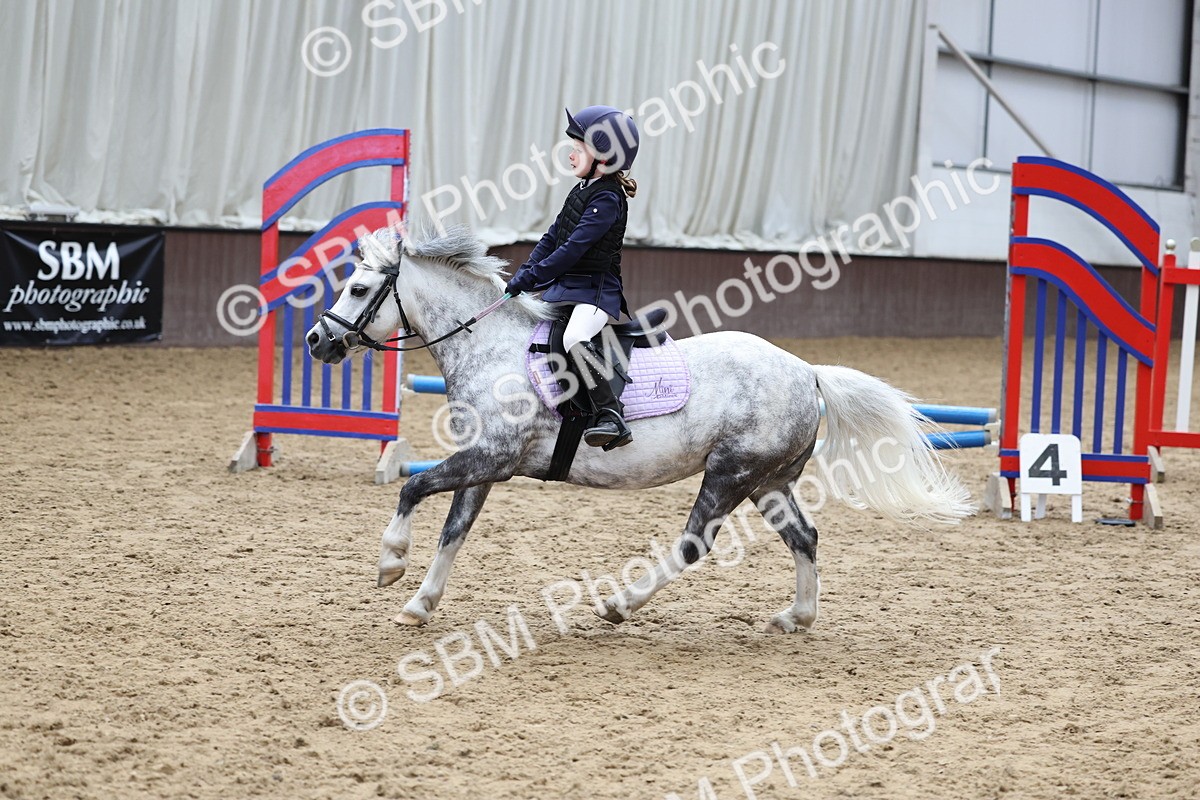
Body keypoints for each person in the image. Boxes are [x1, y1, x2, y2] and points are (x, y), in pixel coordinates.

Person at [505, 106, 640, 449]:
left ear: (604, 159)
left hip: (596, 292)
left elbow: (572, 250)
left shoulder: (608, 199)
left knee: (573, 338)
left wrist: (533, 278)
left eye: (579, 150)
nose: (570, 154)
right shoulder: (581, 190)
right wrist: (524, 272)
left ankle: (611, 415)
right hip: (569, 288)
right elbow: (553, 238)